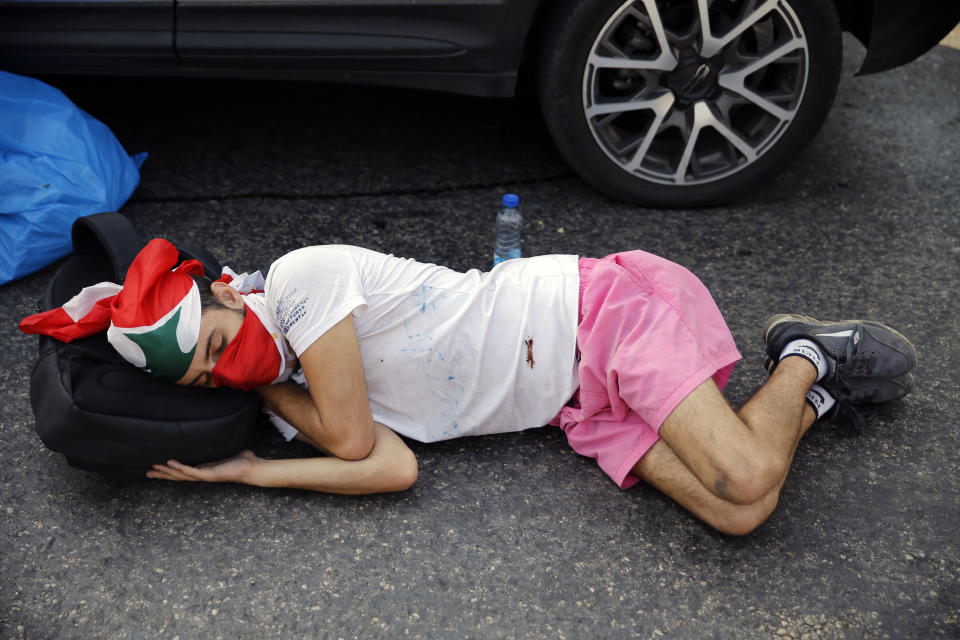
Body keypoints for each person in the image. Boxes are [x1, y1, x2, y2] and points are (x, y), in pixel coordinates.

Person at [20, 239, 917, 535]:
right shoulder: (288, 392)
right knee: (740, 515)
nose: (228, 370)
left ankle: (802, 354)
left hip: (598, 311)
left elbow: (353, 440)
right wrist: (247, 474)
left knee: (748, 479)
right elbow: (391, 470)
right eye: (211, 374)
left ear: (224, 290)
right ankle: (814, 376)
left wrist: (265, 411)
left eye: (217, 342)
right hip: (576, 403)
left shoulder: (299, 282)